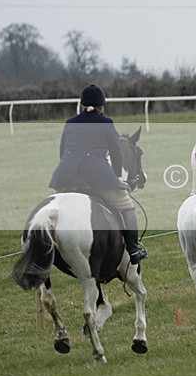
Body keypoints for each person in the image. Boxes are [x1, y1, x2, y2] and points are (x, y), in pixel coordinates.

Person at [49, 84, 147, 264]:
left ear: (81, 104)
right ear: (101, 106)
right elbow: (116, 154)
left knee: (54, 212)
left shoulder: (70, 123)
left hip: (65, 176)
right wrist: (117, 177)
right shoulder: (106, 123)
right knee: (126, 205)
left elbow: (62, 152)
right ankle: (133, 250)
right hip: (96, 175)